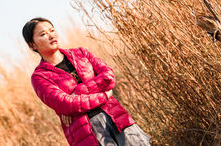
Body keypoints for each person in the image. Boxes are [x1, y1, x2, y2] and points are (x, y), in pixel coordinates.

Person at [22, 17, 150, 146]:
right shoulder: (40, 76)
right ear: (32, 45)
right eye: (43, 34)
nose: (51, 36)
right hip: (86, 131)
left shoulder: (81, 53)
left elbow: (108, 77)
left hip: (115, 116)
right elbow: (66, 104)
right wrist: (104, 95)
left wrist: (75, 94)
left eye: (52, 30)